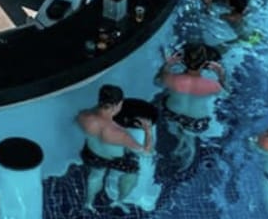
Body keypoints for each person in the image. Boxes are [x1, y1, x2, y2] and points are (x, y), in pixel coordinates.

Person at [76, 83, 154, 210]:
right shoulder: (120, 134)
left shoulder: (83, 116)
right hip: (116, 159)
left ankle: (88, 203)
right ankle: (119, 200)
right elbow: (147, 152)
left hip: (92, 153)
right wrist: (148, 131)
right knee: (132, 173)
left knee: (95, 175)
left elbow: (79, 121)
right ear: (116, 105)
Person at [157, 41, 224, 173]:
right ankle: (185, 152)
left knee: (166, 98)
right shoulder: (212, 85)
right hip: (196, 123)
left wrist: (168, 64)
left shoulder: (172, 79)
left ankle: (179, 139)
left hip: (170, 114)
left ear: (183, 60)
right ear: (205, 64)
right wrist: (221, 74)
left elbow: (158, 81)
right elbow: (225, 93)